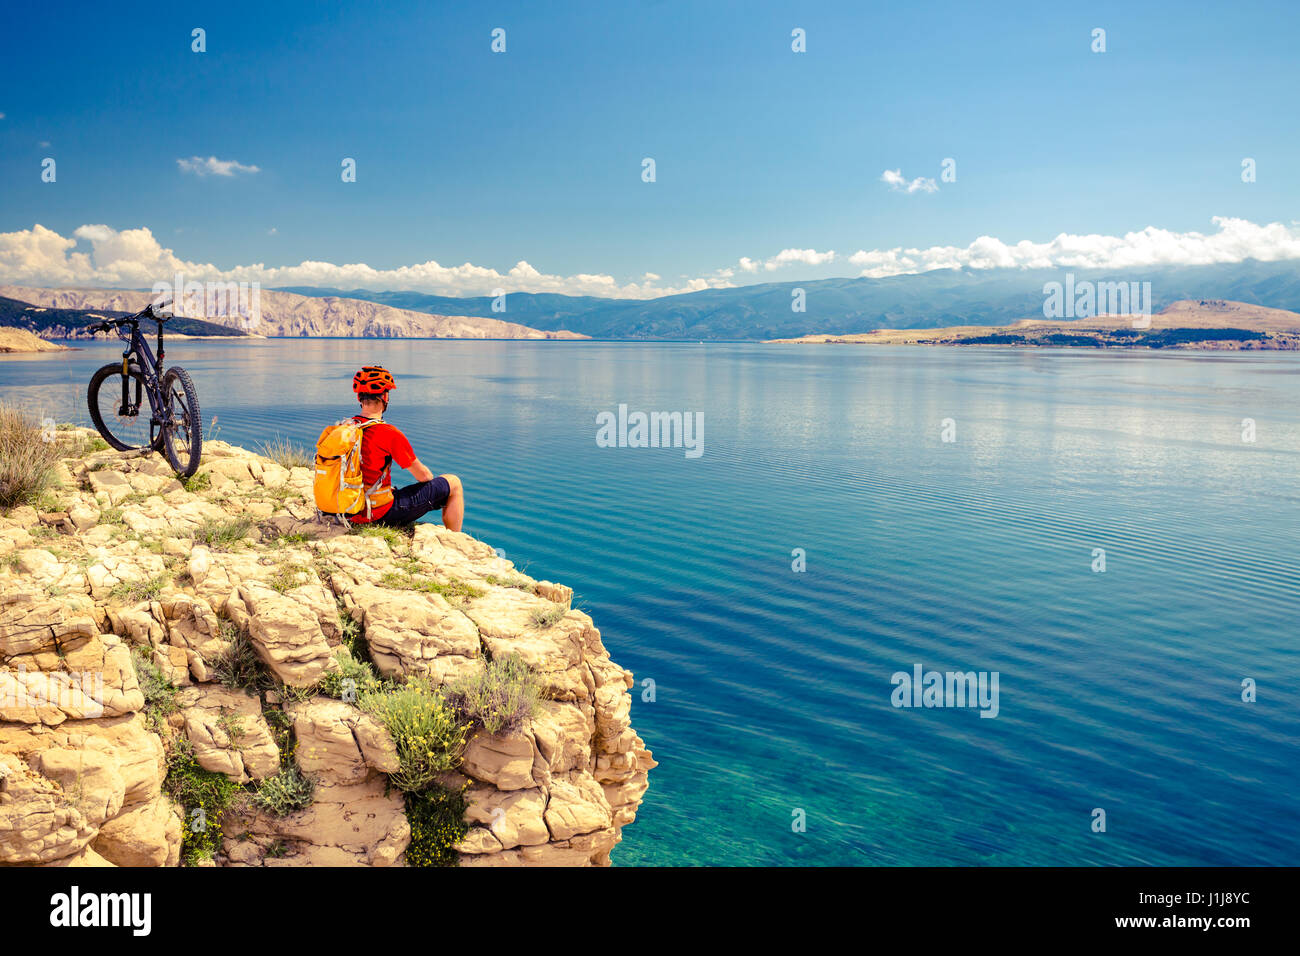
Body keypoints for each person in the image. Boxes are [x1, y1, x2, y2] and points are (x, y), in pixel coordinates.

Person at [348, 365, 464, 531]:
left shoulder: (345, 427)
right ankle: (456, 538)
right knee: (453, 483)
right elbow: (423, 476)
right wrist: (429, 479)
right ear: (385, 397)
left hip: (347, 509)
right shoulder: (387, 432)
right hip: (376, 513)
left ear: (359, 397)